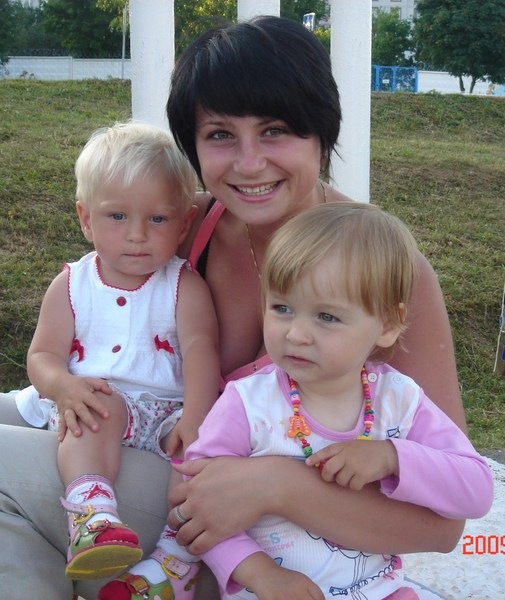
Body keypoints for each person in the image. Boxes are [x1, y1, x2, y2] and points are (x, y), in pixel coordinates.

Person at [0, 16, 468, 600]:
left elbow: (444, 526)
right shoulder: (181, 226)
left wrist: (277, 485)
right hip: (147, 459)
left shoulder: (383, 269)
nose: (248, 163)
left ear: (322, 133)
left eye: (275, 130)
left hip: (249, 542)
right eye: (220, 134)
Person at [182, 202, 493, 600]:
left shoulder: (399, 401)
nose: (295, 334)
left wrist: (392, 457)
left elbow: (476, 489)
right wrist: (261, 575)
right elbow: (201, 504)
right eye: (282, 308)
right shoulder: (247, 404)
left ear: (387, 324)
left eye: (326, 317)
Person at [13, 122, 220, 597]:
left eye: (158, 219)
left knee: (202, 458)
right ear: (86, 219)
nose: (137, 235)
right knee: (96, 408)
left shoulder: (183, 285)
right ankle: (93, 513)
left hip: (165, 416)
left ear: (183, 223)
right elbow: (42, 354)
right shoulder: (72, 284)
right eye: (117, 216)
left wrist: (197, 417)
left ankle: (176, 563)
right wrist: (62, 386)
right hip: (96, 402)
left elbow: (201, 350)